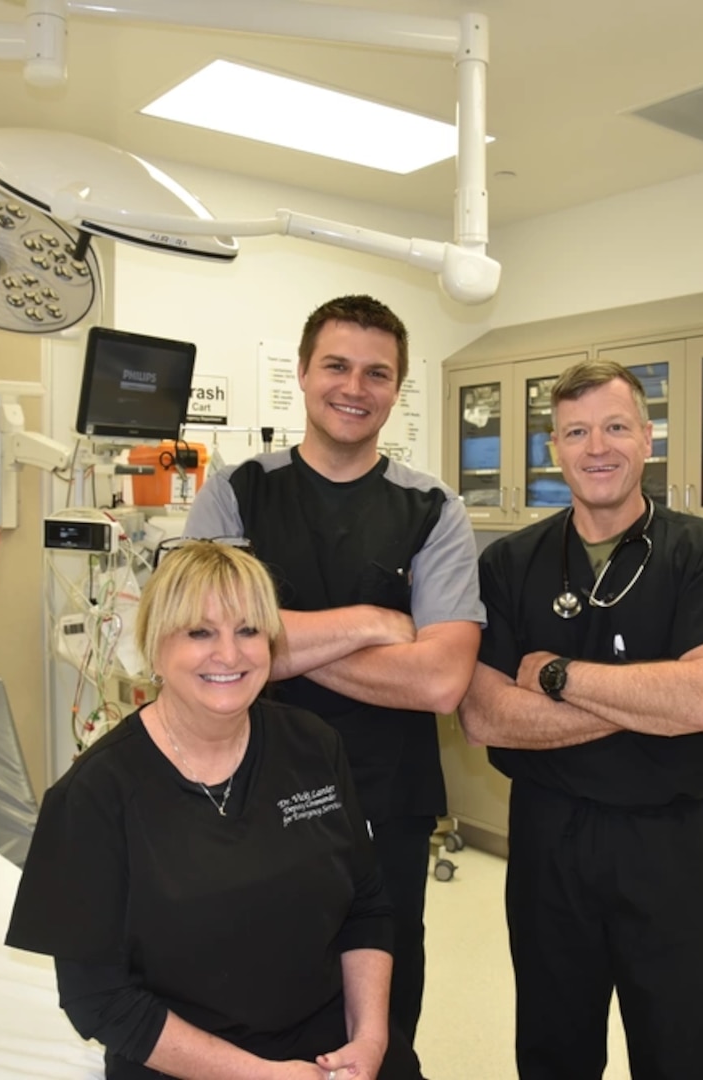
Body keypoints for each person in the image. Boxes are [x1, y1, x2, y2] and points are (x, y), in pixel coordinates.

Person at [183, 294, 484, 1059]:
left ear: (397, 388)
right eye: (337, 366)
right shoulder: (237, 491)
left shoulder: (431, 508)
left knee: (382, 979)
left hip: (386, 787)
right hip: (247, 778)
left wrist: (273, 637)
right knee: (255, 968)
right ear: (303, 374)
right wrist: (374, 622)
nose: (355, 387)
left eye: (377, 373)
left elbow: (441, 682)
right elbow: (207, 650)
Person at [458, 358, 703, 1080]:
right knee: (552, 1047)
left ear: (647, 440)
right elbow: (484, 717)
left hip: (665, 842)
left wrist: (556, 676)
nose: (595, 447)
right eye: (575, 431)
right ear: (553, 451)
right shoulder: (510, 563)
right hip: (545, 840)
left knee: (680, 1049)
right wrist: (647, 702)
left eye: (614, 427)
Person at [6, 540, 419, 1080]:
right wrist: (263, 1076)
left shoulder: (313, 746)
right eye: (200, 632)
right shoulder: (94, 796)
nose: (229, 654)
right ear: (155, 648)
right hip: (183, 1061)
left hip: (331, 1048)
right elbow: (98, 998)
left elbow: (366, 909)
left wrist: (371, 1038)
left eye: (248, 630)